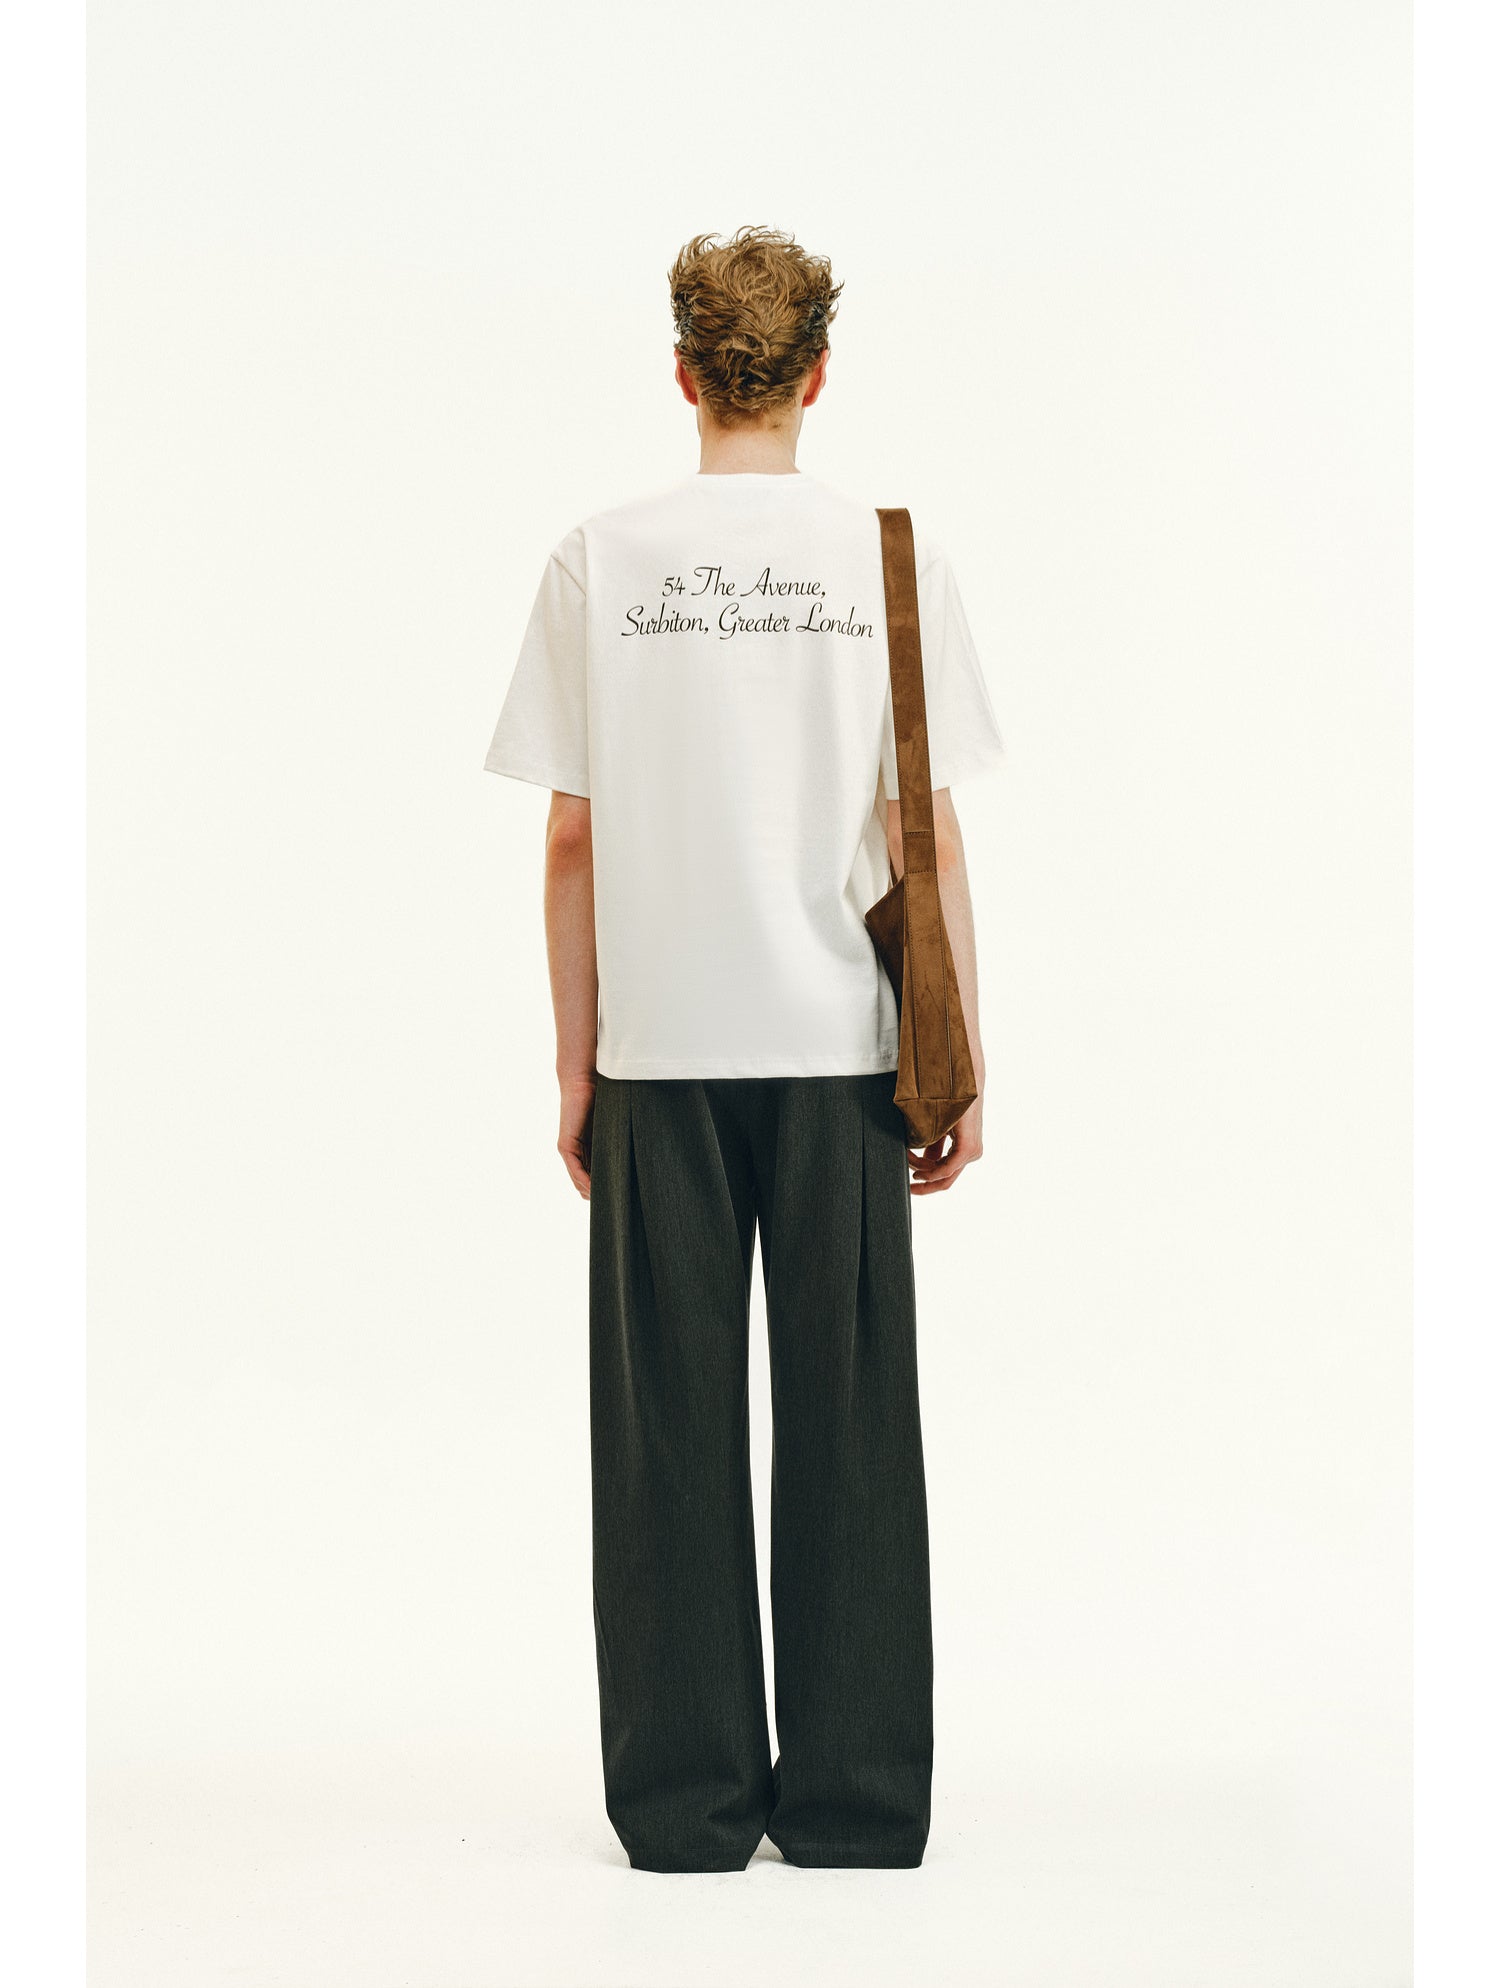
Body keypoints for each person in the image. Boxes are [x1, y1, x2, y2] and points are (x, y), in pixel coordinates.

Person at [484, 225, 1004, 1873]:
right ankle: (855, 1803)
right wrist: (964, 1056)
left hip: (661, 1049)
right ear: (818, 374)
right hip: (844, 1051)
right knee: (853, 1429)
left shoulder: (600, 557)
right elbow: (928, 830)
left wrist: (575, 1068)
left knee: (666, 1443)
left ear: (686, 373)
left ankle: (687, 1808)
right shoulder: (890, 557)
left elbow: (571, 837)